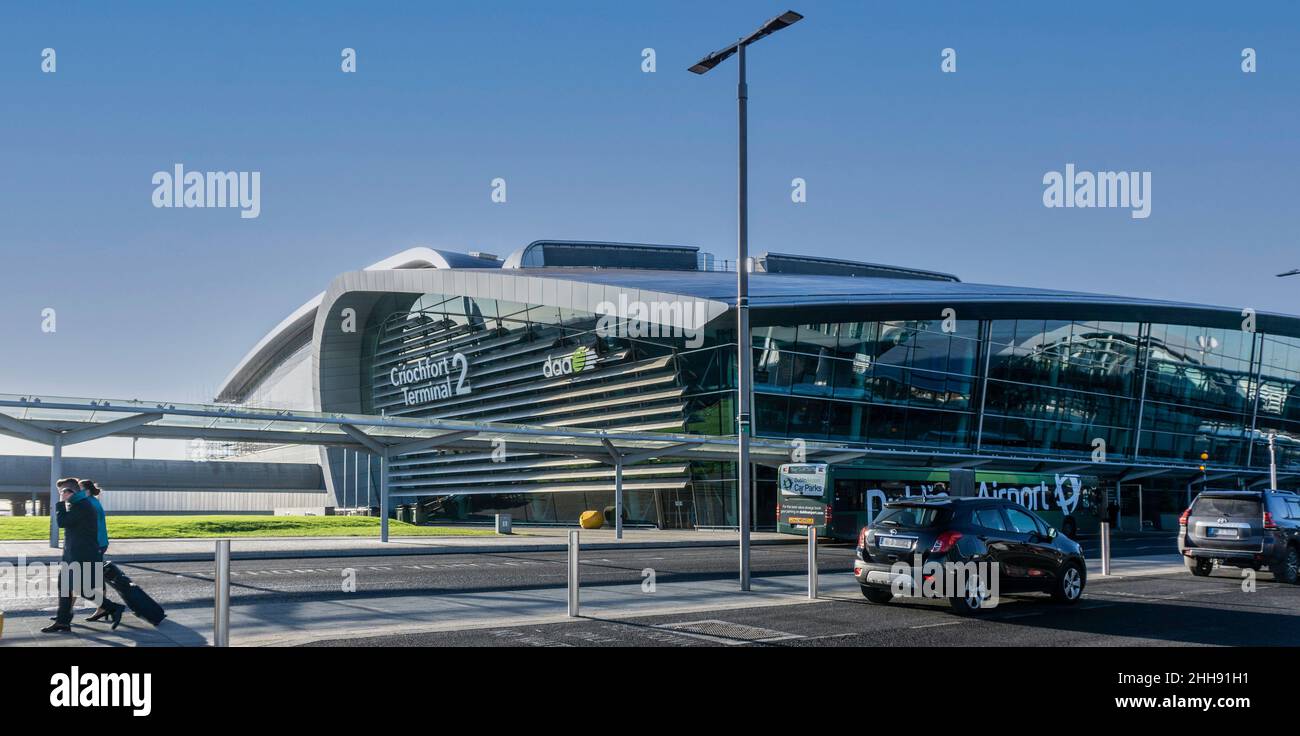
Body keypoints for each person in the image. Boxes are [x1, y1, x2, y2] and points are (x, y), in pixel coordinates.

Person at [42, 478, 124, 634]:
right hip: (72, 555)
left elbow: (62, 522)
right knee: (65, 587)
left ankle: (113, 608)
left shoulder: (83, 506)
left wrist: (60, 503)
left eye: (63, 491)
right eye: (60, 492)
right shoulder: (78, 504)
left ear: (70, 492)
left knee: (84, 589)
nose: (61, 494)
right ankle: (63, 622)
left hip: (83, 555)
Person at [80, 479, 124, 626]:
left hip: (95, 545)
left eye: (79, 489)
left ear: (86, 491)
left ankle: (105, 608)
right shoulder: (92, 501)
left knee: (89, 581)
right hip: (98, 544)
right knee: (92, 579)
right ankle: (102, 608)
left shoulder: (90, 503)